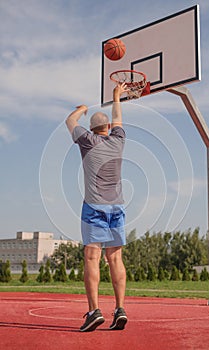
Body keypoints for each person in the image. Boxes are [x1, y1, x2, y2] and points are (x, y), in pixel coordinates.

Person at [66, 83, 128, 332]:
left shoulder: (87, 140)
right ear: (109, 129)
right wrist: (116, 96)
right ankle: (120, 308)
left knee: (92, 258)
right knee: (115, 258)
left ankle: (93, 311)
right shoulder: (119, 140)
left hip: (94, 207)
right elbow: (118, 118)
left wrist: (81, 109)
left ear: (91, 129)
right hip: (118, 207)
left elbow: (69, 121)